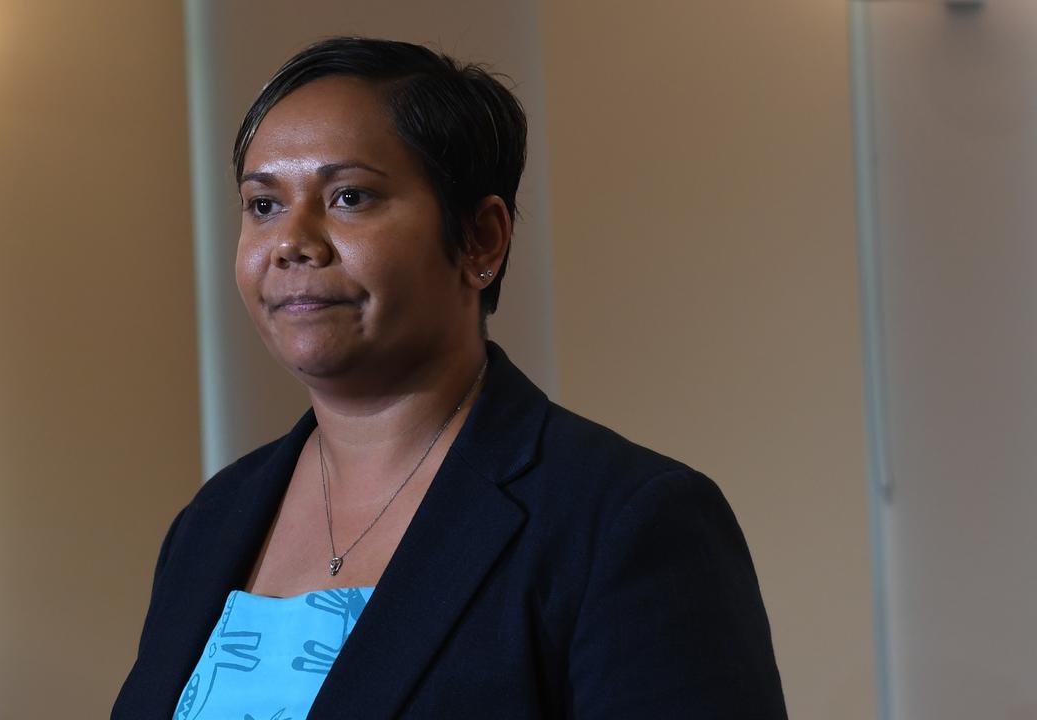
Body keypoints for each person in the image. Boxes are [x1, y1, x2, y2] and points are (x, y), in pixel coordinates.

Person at [113, 37, 787, 719]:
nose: (293, 241)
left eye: (349, 196)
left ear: (481, 239)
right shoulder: (210, 522)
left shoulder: (624, 522)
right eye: (263, 205)